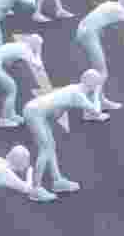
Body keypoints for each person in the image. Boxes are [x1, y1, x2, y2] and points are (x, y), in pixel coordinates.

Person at [19, 69, 105, 202]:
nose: (97, 87)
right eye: (97, 84)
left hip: (37, 112)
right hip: (35, 113)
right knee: (45, 149)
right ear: (92, 84)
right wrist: (97, 94)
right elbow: (97, 111)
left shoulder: (74, 88)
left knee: (50, 147)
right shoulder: (78, 95)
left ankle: (57, 181)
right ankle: (35, 189)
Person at [74, 0, 124, 121]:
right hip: (88, 35)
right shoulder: (119, 10)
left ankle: (101, 101)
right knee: (102, 73)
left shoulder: (111, 4)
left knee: (98, 70)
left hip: (86, 32)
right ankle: (90, 111)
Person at [0, 34, 44, 127]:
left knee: (9, 89)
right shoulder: (26, 51)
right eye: (39, 45)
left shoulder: (20, 45)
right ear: (35, 45)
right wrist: (38, 52)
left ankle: (11, 115)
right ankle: (4, 119)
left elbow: (8, 60)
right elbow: (38, 64)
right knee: (11, 90)